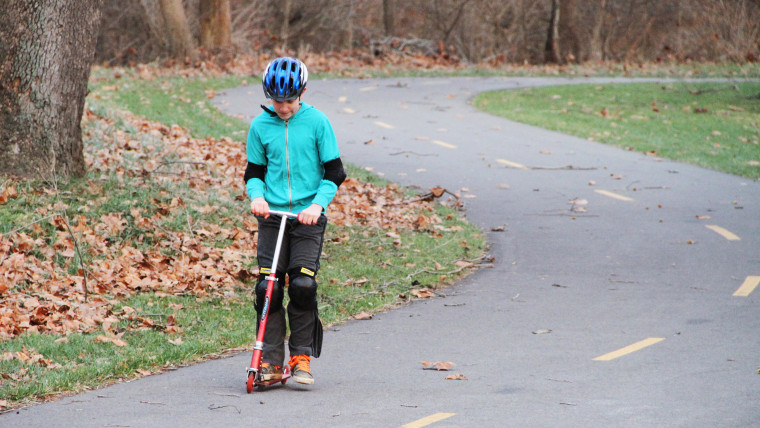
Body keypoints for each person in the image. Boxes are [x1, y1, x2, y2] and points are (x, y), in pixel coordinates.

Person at [244, 57, 346, 385]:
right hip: (273, 217)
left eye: (289, 101)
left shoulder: (317, 122)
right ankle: (271, 363)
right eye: (276, 101)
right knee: (268, 289)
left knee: (302, 285)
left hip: (307, 218)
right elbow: (254, 172)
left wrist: (317, 205)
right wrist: (257, 197)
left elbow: (334, 171)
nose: (283, 108)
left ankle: (301, 356)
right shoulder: (260, 126)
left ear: (301, 93)